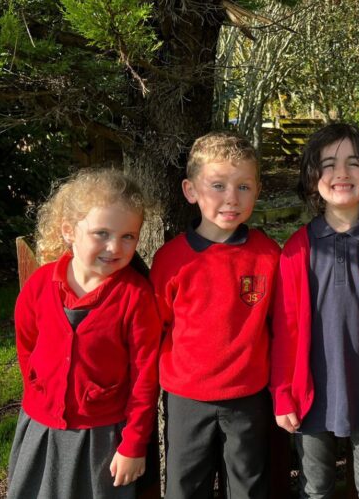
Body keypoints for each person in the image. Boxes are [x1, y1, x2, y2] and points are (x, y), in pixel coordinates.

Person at [270, 123, 359, 499]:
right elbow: (284, 331)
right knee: (315, 487)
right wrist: (283, 393)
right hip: (310, 394)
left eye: (354, 163)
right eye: (329, 164)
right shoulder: (297, 250)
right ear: (312, 177)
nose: (341, 173)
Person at [7, 168, 161, 499]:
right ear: (69, 231)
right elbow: (26, 344)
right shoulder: (40, 285)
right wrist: (38, 388)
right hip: (43, 428)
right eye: (101, 233)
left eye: (128, 237)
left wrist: (133, 444)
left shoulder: (136, 297)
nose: (114, 247)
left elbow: (145, 377)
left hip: (103, 436)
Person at [150, 131, 280, 499]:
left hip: (248, 397)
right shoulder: (172, 260)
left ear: (257, 190)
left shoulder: (268, 256)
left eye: (243, 187)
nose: (230, 198)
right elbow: (154, 328)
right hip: (187, 398)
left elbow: (284, 327)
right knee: (185, 486)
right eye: (218, 185)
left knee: (248, 486)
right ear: (191, 191)